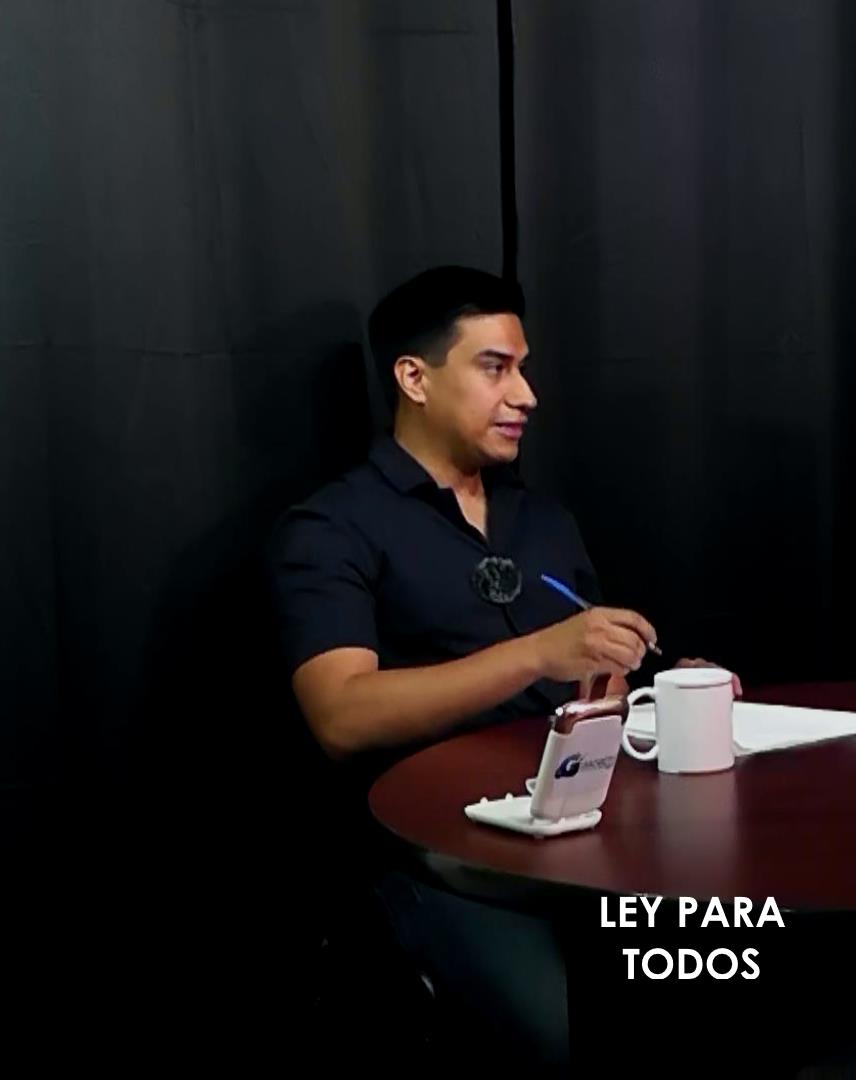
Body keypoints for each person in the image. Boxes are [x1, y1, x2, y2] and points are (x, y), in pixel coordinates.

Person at [268, 266, 735, 1065]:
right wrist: (537, 653)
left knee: (726, 982)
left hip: (586, 833)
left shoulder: (542, 520)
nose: (527, 395)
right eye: (496, 368)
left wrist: (658, 695)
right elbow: (341, 716)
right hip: (442, 859)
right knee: (568, 1036)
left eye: (523, 368)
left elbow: (595, 691)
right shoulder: (332, 528)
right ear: (414, 378)